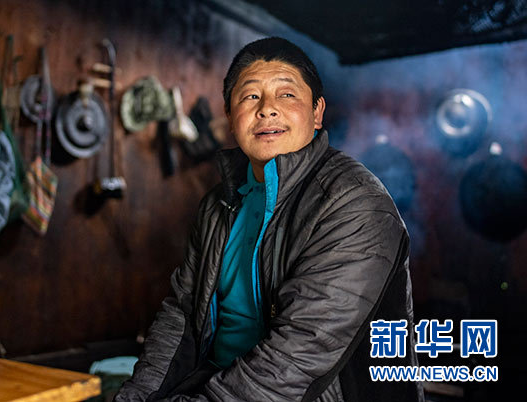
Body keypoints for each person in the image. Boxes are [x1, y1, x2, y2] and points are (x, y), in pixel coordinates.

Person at [115, 37, 424, 402]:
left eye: (286, 94)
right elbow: (180, 315)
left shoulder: (355, 203)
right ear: (230, 117)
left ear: (317, 112)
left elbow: (295, 358)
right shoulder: (217, 204)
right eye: (250, 96)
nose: (267, 110)